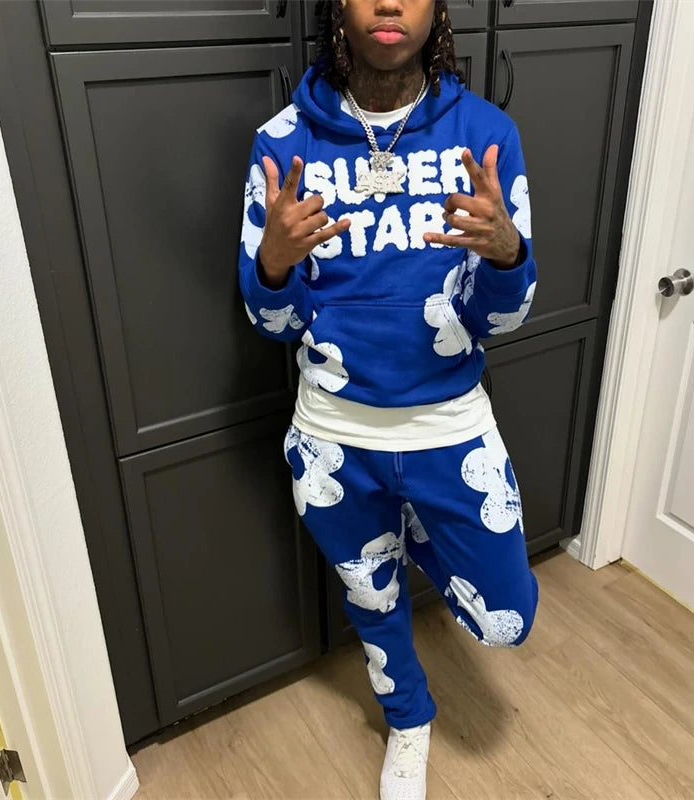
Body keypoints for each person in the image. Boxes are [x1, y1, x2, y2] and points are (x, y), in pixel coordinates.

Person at [238, 1, 538, 797]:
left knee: (506, 617)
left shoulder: (486, 135)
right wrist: (272, 267)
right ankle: (408, 718)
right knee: (372, 601)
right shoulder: (282, 143)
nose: (389, 3)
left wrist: (508, 255)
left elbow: (504, 319)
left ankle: (411, 535)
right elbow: (272, 324)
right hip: (334, 437)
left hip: (449, 426)